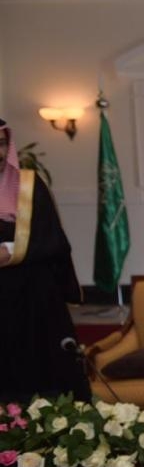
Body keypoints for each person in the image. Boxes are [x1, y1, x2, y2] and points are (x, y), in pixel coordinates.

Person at [0, 118, 89, 403]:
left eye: (1, 144)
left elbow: (52, 238)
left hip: (34, 296)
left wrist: (11, 250)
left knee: (41, 369)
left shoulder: (29, 185)